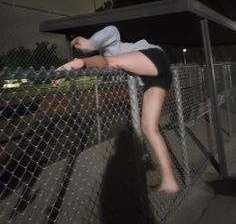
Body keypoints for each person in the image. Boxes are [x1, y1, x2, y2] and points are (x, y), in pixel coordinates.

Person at [54, 25, 179, 194]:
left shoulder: (113, 48)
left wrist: (88, 48)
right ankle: (168, 179)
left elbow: (112, 31)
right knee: (149, 128)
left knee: (110, 60)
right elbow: (103, 64)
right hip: (157, 78)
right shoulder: (111, 59)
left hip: (154, 57)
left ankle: (79, 62)